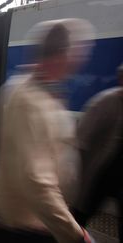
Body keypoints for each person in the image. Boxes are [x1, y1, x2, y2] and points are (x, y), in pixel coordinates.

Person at [0, 19, 95, 243]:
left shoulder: (38, 90)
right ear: (62, 54)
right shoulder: (29, 100)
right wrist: (76, 234)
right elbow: (36, 180)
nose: (82, 59)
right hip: (25, 226)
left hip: (37, 220)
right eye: (78, 51)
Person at [72, 63, 123, 243]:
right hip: (97, 176)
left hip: (117, 177)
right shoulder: (103, 103)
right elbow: (80, 142)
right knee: (80, 216)